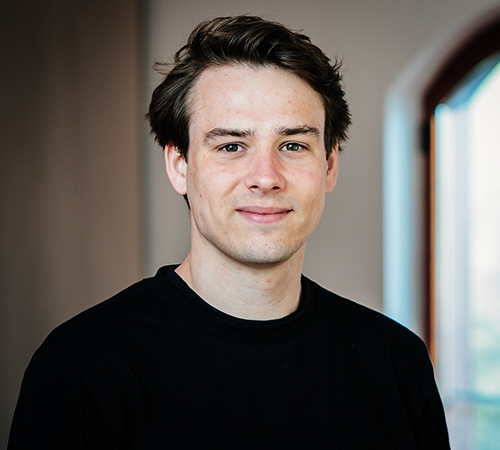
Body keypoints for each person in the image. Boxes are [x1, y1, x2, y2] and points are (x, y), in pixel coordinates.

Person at [8, 15, 450, 449]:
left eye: (293, 145)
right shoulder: (79, 370)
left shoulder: (396, 363)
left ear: (329, 165)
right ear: (179, 166)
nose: (266, 177)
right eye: (231, 146)